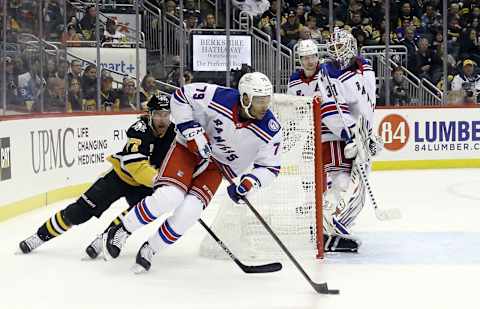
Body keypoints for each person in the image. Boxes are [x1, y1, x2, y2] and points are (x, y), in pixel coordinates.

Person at [101, 72, 282, 273]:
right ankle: (123, 229)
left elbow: (270, 167)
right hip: (188, 149)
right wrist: (189, 126)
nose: (264, 107)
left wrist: (251, 183)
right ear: (245, 98)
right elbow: (181, 96)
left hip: (216, 167)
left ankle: (151, 248)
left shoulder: (271, 129)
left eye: (267, 100)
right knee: (170, 197)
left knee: (190, 211)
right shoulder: (220, 97)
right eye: (259, 101)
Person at [18, 95, 176, 257]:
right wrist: (158, 181)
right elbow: (135, 165)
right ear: (149, 114)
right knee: (78, 212)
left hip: (145, 186)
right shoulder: (139, 129)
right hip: (120, 178)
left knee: (134, 216)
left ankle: (104, 238)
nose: (162, 119)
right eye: (158, 114)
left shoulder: (174, 133)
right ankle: (39, 236)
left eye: (166, 114)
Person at [314, 28, 382, 253]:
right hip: (335, 134)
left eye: (340, 47)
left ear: (351, 45)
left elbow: (368, 106)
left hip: (358, 135)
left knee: (360, 190)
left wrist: (368, 135)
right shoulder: (327, 71)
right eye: (332, 48)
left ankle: (340, 226)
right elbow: (331, 109)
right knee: (341, 180)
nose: (336, 53)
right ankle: (323, 226)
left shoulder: (366, 67)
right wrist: (349, 134)